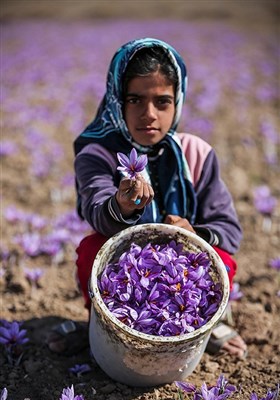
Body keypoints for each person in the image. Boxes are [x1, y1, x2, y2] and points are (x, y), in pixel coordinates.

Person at [48, 38, 247, 358]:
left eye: (162, 101)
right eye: (135, 99)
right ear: (117, 100)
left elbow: (229, 229)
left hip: (183, 274)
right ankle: (103, 326)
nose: (149, 114)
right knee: (90, 250)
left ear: (178, 101)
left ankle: (199, 324)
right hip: (124, 269)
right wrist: (122, 205)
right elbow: (95, 209)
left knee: (221, 260)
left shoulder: (197, 153)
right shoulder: (97, 154)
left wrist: (195, 236)